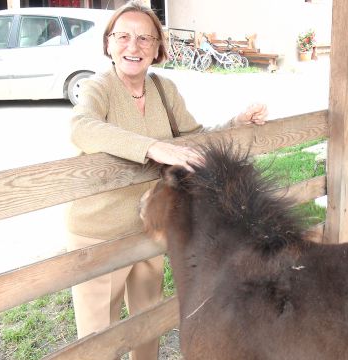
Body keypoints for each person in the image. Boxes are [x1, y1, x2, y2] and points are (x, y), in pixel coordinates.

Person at [66, 1, 268, 359]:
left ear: (158, 48)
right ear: (108, 44)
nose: (134, 46)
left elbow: (194, 138)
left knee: (148, 323)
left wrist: (237, 124)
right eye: (123, 36)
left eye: (145, 38)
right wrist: (153, 148)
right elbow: (82, 127)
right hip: (99, 233)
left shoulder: (163, 89)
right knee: (97, 338)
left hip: (151, 225)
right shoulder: (99, 88)